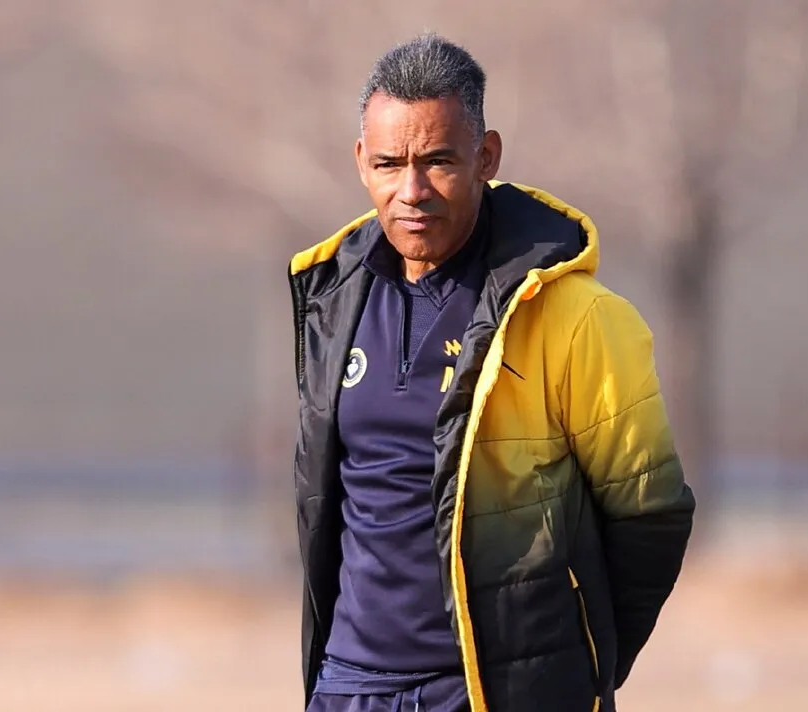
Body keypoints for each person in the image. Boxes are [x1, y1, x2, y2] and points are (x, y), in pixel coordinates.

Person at [288, 34, 695, 712]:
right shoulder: (331, 299)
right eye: (389, 164)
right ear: (361, 162)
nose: (412, 190)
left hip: (489, 692)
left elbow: (650, 513)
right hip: (348, 686)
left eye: (439, 161)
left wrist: (568, 668)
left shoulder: (578, 316)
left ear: (487, 157)